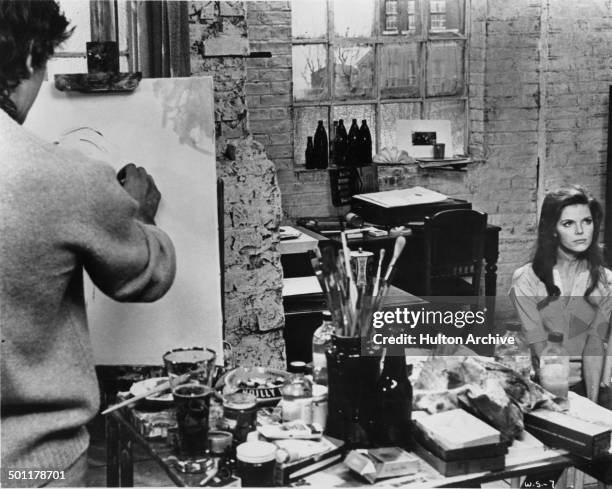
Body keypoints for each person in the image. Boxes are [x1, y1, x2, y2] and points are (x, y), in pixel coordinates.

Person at [0, 1, 176, 486]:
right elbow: (147, 274)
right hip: (35, 468)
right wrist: (139, 217)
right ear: (33, 55)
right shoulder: (62, 176)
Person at [510, 185, 612, 406]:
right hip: (544, 384)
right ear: (553, 229)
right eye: (568, 223)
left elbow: (595, 345)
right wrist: (558, 406)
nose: (580, 231)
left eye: (587, 221)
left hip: (588, 383)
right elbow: (540, 351)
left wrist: (592, 407)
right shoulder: (526, 279)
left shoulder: (606, 282)